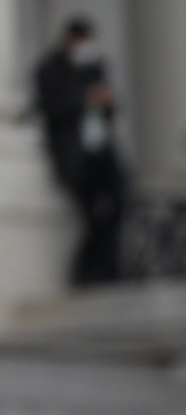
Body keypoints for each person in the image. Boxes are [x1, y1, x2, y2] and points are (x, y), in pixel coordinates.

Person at [34, 16, 126, 286]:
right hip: (73, 155)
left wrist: (106, 102)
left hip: (99, 149)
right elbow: (52, 108)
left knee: (119, 200)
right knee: (91, 214)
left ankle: (102, 265)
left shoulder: (95, 68)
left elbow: (104, 115)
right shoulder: (49, 69)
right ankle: (92, 268)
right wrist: (83, 97)